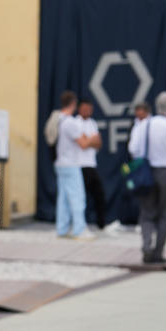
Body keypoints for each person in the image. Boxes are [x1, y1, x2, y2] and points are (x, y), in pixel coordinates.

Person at [128, 90, 166, 264]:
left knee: (146, 213)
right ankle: (158, 253)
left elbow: (133, 149)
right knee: (165, 214)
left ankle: (146, 247)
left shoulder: (144, 124)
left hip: (147, 172)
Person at [51, 91, 96, 239]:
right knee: (78, 197)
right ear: (74, 104)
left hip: (60, 163)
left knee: (63, 198)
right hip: (71, 164)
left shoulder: (58, 119)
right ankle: (79, 230)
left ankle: (62, 229)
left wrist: (85, 138)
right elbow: (83, 144)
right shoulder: (70, 122)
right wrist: (92, 138)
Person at [77, 97, 105, 229]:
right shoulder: (75, 123)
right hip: (79, 166)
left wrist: (88, 140)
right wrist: (90, 140)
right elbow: (82, 144)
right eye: (84, 108)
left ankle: (101, 224)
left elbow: (98, 143)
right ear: (79, 109)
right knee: (80, 197)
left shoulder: (92, 123)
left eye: (89, 109)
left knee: (99, 195)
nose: (87, 111)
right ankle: (80, 224)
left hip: (91, 165)